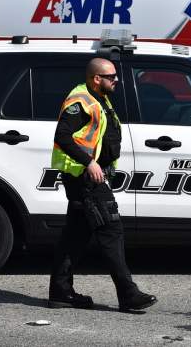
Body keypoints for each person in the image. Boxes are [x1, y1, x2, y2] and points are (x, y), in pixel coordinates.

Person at [48, 57, 157, 312]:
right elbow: (62, 136)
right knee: (111, 230)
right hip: (84, 177)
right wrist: (89, 162)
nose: (116, 80)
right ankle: (128, 294)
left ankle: (61, 292)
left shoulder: (99, 98)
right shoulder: (81, 101)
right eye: (111, 77)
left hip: (87, 176)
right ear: (97, 79)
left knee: (76, 234)